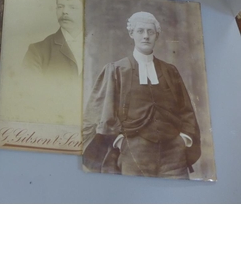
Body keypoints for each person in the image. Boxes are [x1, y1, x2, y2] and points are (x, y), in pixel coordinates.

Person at [83, 11, 201, 179]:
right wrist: (119, 141)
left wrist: (185, 139)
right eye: (140, 31)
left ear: (156, 35)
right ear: (131, 34)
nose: (145, 36)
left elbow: (186, 110)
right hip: (133, 152)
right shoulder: (117, 70)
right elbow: (104, 111)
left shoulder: (170, 71)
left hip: (174, 154)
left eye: (150, 32)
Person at [23, 0, 82, 77]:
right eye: (60, 7)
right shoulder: (37, 51)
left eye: (73, 7)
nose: (65, 11)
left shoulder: (101, 48)